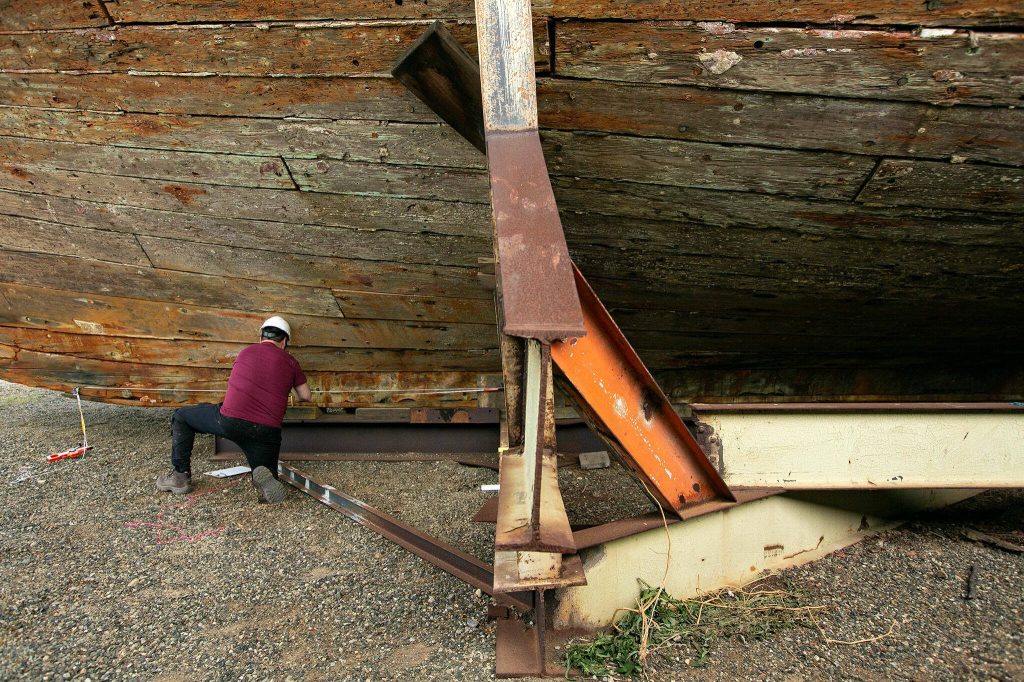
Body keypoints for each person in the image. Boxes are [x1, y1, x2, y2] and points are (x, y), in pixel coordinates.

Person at [155, 316, 312, 503]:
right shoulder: (291, 362)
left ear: (261, 338)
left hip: (230, 421)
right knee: (265, 471)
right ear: (285, 341)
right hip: (267, 432)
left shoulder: (246, 352)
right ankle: (263, 476)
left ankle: (180, 476)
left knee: (182, 416)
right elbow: (306, 396)